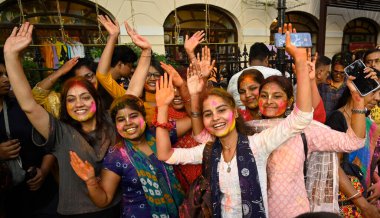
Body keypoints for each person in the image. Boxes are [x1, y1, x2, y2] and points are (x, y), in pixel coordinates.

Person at [155, 23, 313, 217]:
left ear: (236, 112)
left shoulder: (258, 144)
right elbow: (165, 154)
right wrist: (162, 108)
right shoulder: (209, 150)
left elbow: (302, 117)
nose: (215, 118)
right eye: (208, 114)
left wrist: (299, 59)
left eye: (221, 110)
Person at [3, 21, 149, 217]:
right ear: (65, 105)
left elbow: (132, 93)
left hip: (116, 208)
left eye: (85, 97)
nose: (78, 103)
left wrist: (146, 52)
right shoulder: (61, 132)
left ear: (96, 100)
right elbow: (29, 105)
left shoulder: (111, 121)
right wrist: (11, 57)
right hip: (76, 213)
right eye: (71, 99)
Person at [69, 94, 185, 218]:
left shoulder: (159, 134)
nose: (128, 123)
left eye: (133, 116)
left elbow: (195, 120)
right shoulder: (116, 156)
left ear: (144, 117)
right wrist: (91, 181)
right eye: (121, 119)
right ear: (115, 125)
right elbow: (104, 200)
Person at [0, 58, 58, 218]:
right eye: (0, 75)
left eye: (6, 74)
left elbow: (50, 142)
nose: (6, 79)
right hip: (9, 201)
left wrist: (44, 171)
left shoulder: (22, 107)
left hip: (43, 195)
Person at [326, 78, 380, 217]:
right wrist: (362, 204)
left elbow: (369, 162)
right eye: (373, 92)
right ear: (354, 91)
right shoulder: (337, 119)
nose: (378, 98)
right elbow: (333, 167)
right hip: (345, 199)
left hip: (364, 193)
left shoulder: (368, 122)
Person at [227, 42, 283, 108]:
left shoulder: (234, 77)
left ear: (249, 60)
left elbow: (229, 101)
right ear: (266, 59)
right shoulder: (275, 74)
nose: (247, 95)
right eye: (242, 91)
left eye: (253, 88)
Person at [318, 52, 352, 117]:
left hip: (342, 124)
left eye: (342, 73)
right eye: (335, 71)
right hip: (323, 123)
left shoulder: (351, 85)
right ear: (331, 67)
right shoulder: (322, 81)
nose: (338, 75)